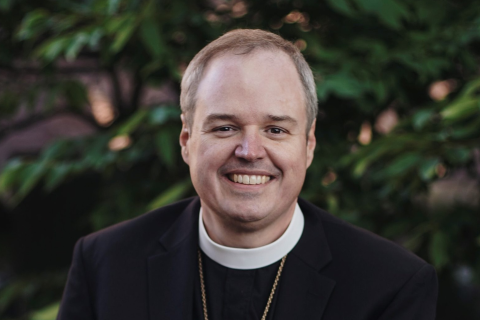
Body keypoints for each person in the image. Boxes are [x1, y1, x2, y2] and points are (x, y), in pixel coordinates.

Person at [57, 29, 438, 320]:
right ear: (187, 140)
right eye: (224, 127)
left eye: (276, 130)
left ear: (308, 146)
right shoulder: (105, 265)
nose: (250, 151)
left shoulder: (391, 286)